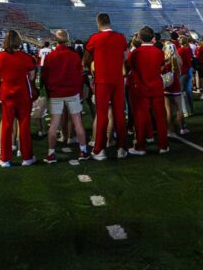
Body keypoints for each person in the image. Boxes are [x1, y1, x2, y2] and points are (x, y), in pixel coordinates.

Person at [83, 13, 129, 160]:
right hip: (117, 79)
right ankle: (121, 148)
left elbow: (86, 57)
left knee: (102, 115)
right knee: (120, 115)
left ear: (98, 23)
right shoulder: (121, 37)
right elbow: (126, 57)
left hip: (102, 80)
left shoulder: (95, 38)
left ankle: (99, 149)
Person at [40, 30, 90, 163]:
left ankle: (51, 153)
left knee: (54, 124)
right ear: (67, 40)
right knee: (78, 123)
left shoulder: (51, 56)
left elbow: (45, 76)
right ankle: (84, 151)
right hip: (72, 93)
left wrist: (49, 91)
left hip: (56, 93)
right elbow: (79, 76)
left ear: (55, 40)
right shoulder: (74, 56)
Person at [0, 29, 36, 167]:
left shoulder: (0, 57)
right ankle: (26, 157)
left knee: (6, 126)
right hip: (23, 95)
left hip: (7, 94)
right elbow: (32, 76)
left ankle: (5, 158)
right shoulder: (26, 58)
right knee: (24, 126)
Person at [128, 26, 170, 154]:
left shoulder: (135, 53)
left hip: (141, 88)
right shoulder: (159, 52)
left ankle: (141, 146)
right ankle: (163, 146)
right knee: (160, 117)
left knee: (141, 118)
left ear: (140, 38)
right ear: (152, 38)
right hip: (156, 87)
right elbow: (162, 66)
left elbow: (130, 67)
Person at [163, 41, 189, 135]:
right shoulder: (178, 59)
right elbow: (180, 68)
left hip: (166, 86)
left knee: (168, 110)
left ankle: (170, 130)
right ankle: (182, 128)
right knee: (179, 109)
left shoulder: (164, 60)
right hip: (176, 85)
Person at [177, 35, 195, 117]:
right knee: (188, 91)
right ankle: (191, 110)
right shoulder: (189, 49)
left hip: (183, 72)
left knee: (182, 92)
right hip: (189, 70)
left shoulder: (180, 50)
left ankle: (185, 111)